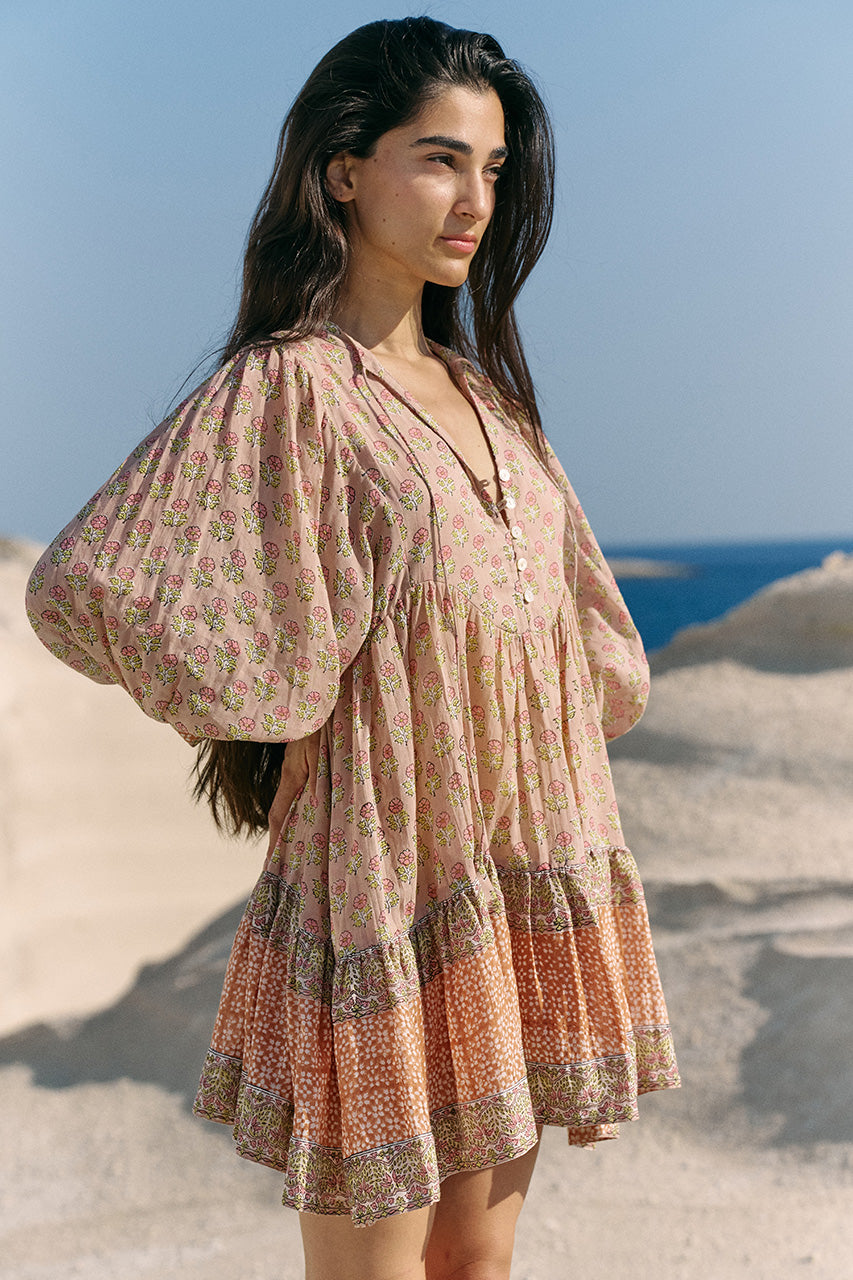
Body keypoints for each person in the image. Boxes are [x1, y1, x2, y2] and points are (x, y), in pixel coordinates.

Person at [25, 16, 679, 1280]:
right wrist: (261, 687)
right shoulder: (290, 387)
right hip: (383, 881)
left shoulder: (489, 398)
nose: (473, 199)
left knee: (476, 1260)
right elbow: (82, 584)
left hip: (516, 874)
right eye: (439, 159)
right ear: (343, 169)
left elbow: (589, 647)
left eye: (493, 169)